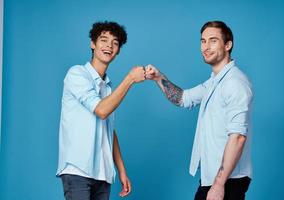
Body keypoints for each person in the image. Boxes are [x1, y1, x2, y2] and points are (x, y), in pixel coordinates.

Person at [145, 21, 253, 200]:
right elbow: (183, 99)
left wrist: (219, 185)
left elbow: (238, 136)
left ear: (228, 45)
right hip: (214, 179)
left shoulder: (234, 83)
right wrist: (158, 78)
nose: (206, 47)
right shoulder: (214, 82)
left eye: (212, 41)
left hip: (228, 180)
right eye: (203, 41)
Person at [56, 21, 145, 200]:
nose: (109, 46)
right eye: (103, 40)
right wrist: (130, 79)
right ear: (93, 43)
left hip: (103, 174)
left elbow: (109, 130)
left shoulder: (108, 87)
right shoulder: (77, 74)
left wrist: (121, 170)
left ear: (118, 50)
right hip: (78, 170)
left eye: (115, 43)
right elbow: (102, 111)